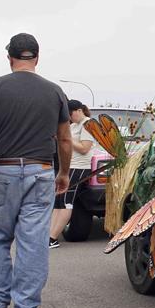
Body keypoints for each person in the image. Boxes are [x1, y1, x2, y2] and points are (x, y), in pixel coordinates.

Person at [0, 33, 71, 308]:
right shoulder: (55, 92)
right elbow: (64, 138)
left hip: (3, 170)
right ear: (37, 57)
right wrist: (63, 172)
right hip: (41, 171)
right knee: (33, 240)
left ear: (9, 57)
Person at [48, 101, 95, 248]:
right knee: (59, 201)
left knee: (67, 202)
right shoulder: (74, 126)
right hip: (68, 166)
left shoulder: (88, 124)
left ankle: (53, 238)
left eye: (70, 114)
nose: (69, 118)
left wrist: (67, 140)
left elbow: (84, 148)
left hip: (79, 167)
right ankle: (49, 234)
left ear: (79, 110)